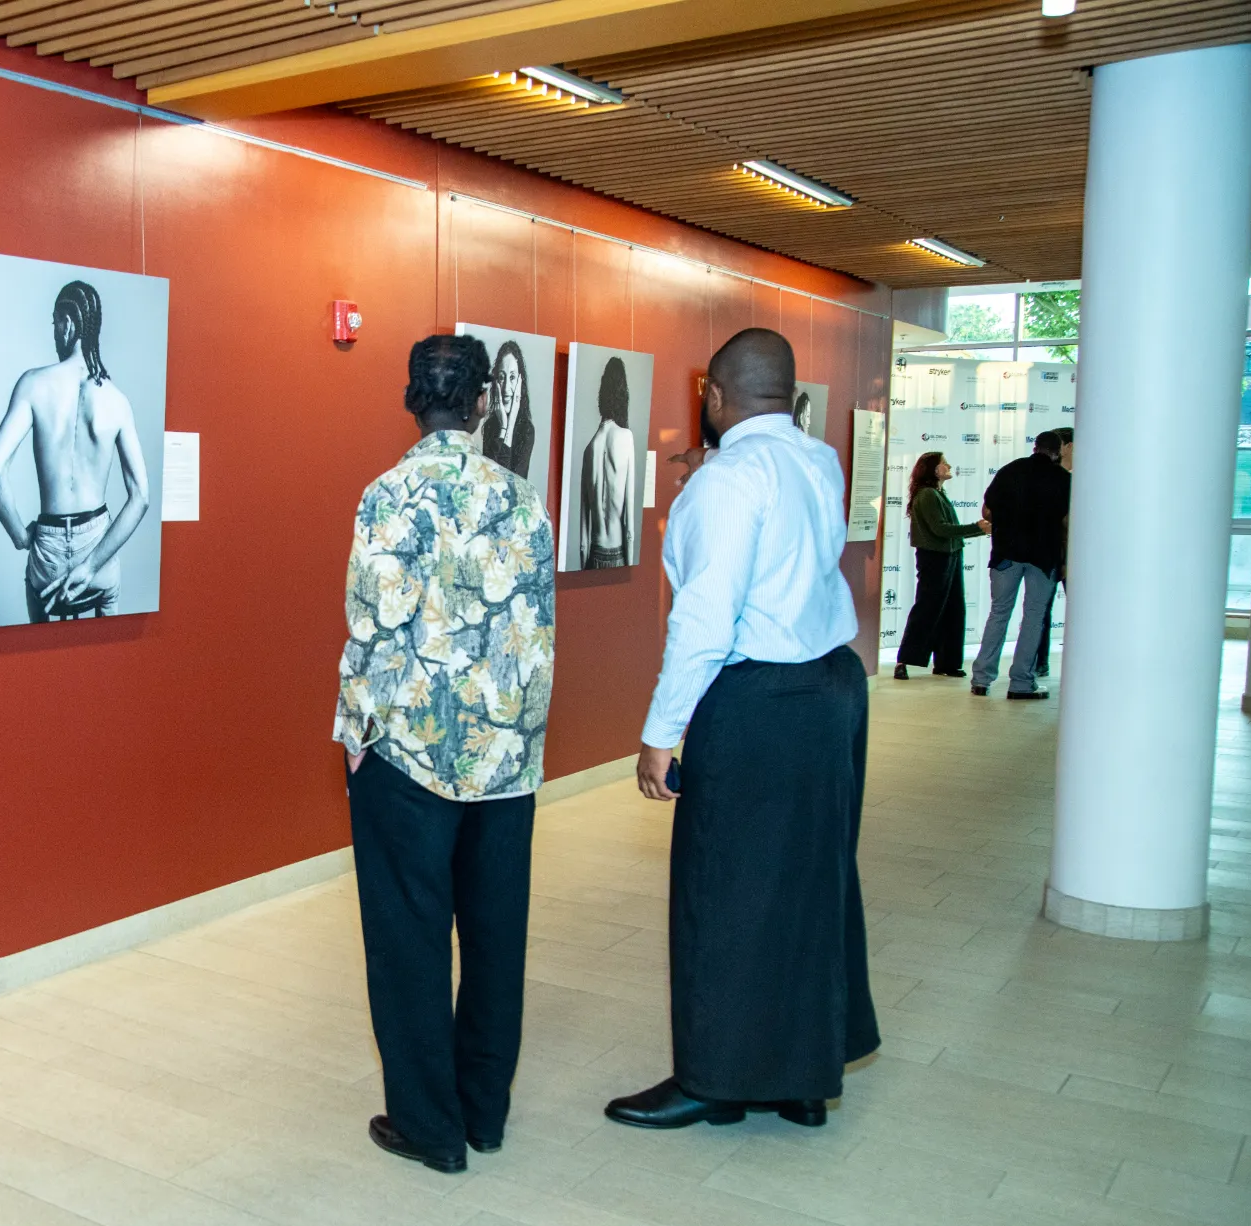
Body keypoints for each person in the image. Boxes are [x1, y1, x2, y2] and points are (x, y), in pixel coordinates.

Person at [610, 327, 877, 1132]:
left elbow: (704, 616)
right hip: (832, 688)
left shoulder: (725, 482)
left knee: (722, 888)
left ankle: (715, 1081)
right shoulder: (817, 459)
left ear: (715, 396)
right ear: (789, 396)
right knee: (809, 881)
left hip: (759, 699)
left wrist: (661, 731)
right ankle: (800, 1079)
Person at [335, 333, 556, 1174]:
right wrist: (524, 741)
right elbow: (536, 633)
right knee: (496, 940)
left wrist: (356, 735)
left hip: (407, 756)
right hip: (502, 761)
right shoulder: (522, 497)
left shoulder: (386, 495)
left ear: (410, 398)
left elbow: (371, 626)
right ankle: (484, 1112)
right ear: (483, 401)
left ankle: (429, 1126)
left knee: (410, 942)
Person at [0, 281, 150, 621]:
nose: (54, 332)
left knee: (39, 650)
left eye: (55, 322)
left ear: (68, 324)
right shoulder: (116, 400)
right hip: (98, 551)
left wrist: (20, 537)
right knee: (112, 646)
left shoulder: (32, 385)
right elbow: (141, 497)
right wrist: (91, 566)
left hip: (48, 553)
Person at [970, 429, 1071, 700]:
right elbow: (1067, 522)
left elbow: (987, 511)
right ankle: (1021, 683)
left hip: (1005, 554)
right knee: (1034, 617)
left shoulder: (1010, 470)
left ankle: (981, 679)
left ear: (1035, 447)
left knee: (999, 613)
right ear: (1058, 452)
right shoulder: (1063, 479)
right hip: (1044, 557)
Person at [893, 452, 990, 680]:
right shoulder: (928, 495)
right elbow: (941, 529)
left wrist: (976, 530)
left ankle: (947, 662)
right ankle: (905, 659)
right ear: (934, 470)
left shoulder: (936, 493)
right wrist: (977, 528)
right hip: (935, 557)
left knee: (953, 608)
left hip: (949, 554)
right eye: (944, 463)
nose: (949, 466)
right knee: (928, 607)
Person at [579, 357, 639, 568]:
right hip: (617, 555)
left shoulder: (588, 450)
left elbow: (583, 544)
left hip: (593, 556)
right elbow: (629, 529)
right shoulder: (626, 438)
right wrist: (630, 573)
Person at [1030, 427, 1075, 677]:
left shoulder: (1078, 480)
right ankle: (1039, 661)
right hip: (1046, 555)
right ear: (1067, 447)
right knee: (1040, 610)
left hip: (1069, 557)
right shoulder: (1050, 479)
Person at [482, 339, 536, 478]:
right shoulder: (489, 427)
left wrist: (509, 426)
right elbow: (488, 480)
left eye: (512, 377)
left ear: (520, 382)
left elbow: (511, 483)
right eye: (501, 377)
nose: (506, 388)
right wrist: (503, 428)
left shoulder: (527, 430)